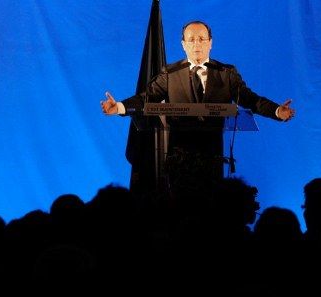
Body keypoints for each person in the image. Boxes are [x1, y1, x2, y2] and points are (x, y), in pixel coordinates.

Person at [100, 20, 295, 192]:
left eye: (202, 39)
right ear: (183, 45)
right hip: (179, 157)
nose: (197, 44)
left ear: (211, 42)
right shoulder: (170, 73)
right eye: (191, 40)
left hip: (213, 155)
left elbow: (250, 99)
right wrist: (118, 107)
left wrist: (277, 111)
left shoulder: (226, 73)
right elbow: (146, 98)